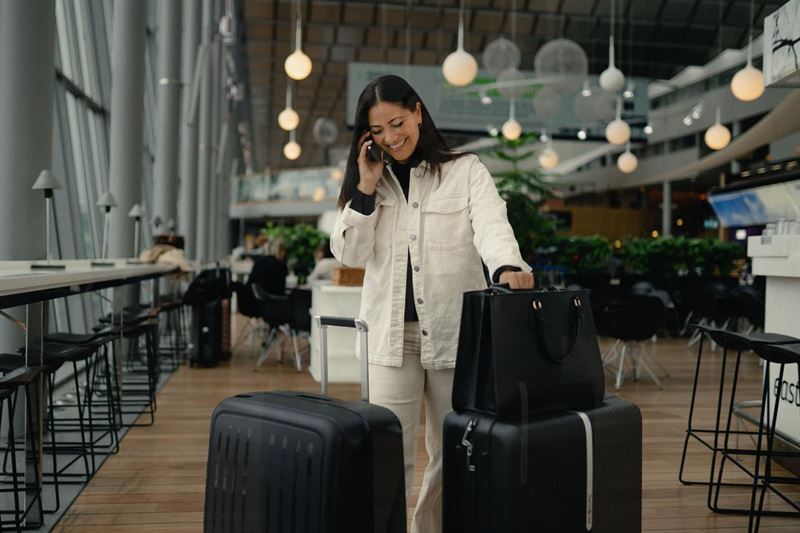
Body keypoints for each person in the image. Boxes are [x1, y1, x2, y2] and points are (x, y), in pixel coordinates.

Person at [330, 74, 533, 533]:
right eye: (377, 131)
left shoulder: (465, 170)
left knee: (452, 452)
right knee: (387, 453)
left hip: (455, 337)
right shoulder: (372, 186)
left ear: (418, 112)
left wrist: (506, 266)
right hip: (389, 340)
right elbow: (348, 255)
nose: (391, 137)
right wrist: (365, 188)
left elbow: (492, 225)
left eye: (397, 122)